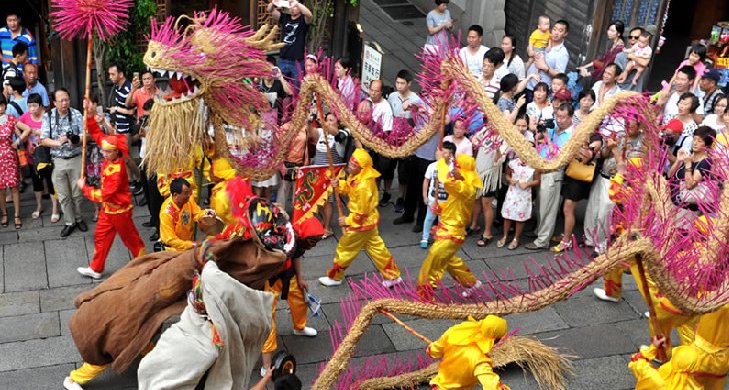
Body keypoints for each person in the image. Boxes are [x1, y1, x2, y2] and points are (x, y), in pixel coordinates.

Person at [75, 99, 146, 279]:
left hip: (119, 210)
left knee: (131, 240)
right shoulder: (111, 152)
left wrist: (85, 188)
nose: (103, 153)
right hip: (109, 209)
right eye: (104, 151)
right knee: (101, 237)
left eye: (107, 152)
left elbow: (104, 194)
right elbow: (97, 134)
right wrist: (90, 115)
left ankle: (146, 265)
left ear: (115, 152)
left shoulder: (118, 170)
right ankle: (96, 268)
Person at [318, 148, 402, 288]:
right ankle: (392, 275)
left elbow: (361, 212)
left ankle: (335, 277)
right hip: (368, 223)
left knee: (345, 249)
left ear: (361, 167)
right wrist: (339, 185)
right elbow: (350, 189)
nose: (349, 166)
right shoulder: (358, 176)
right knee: (377, 249)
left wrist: (347, 220)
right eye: (350, 162)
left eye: (353, 164)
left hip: (360, 224)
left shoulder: (364, 185)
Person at [260, 216, 322, 377]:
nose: (314, 244)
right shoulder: (280, 239)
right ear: (304, 236)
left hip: (288, 275)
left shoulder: (299, 241)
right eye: (313, 240)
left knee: (300, 300)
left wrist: (300, 277)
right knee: (268, 318)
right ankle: (266, 365)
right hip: (270, 279)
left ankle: (299, 327)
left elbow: (296, 255)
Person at [416, 154, 482, 300]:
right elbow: (454, 205)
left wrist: (441, 162)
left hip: (452, 233)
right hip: (448, 228)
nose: (454, 169)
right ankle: (471, 283)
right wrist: (441, 208)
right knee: (447, 259)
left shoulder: (466, 188)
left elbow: (447, 182)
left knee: (435, 259)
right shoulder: (461, 185)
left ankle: (425, 295)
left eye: (456, 166)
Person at [525, 103, 573, 250]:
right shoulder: (553, 128)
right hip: (541, 169)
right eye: (557, 116)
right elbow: (541, 144)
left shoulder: (572, 134)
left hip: (553, 172)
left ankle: (542, 240)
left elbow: (559, 156)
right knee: (540, 206)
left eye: (563, 117)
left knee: (548, 208)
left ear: (571, 117)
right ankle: (538, 232)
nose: (559, 120)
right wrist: (540, 135)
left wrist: (548, 138)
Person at [40, 88, 86, 238]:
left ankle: (79, 218)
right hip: (58, 160)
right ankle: (69, 222)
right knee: (63, 194)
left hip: (76, 158)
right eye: (61, 100)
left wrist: (76, 140)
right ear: (54, 102)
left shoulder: (77, 114)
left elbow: (86, 135)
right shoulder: (48, 116)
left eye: (67, 99)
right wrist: (58, 143)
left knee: (78, 193)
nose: (65, 103)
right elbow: (43, 139)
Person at [427, 315, 509, 389]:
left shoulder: (456, 332)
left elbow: (436, 349)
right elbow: (490, 385)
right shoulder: (480, 361)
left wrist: (432, 350)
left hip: (439, 384)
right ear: (496, 340)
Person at [551, 132, 602, 253]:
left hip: (579, 179)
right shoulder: (581, 134)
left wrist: (578, 147)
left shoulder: (596, 138)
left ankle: (566, 241)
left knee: (568, 209)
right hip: (571, 174)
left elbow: (587, 157)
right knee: (565, 208)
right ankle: (565, 235)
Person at [15, 93, 58, 220]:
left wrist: (35, 133)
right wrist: (23, 138)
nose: (32, 109)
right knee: (36, 182)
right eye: (29, 106)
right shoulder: (26, 116)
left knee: (51, 182)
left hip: (47, 155)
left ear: (40, 106)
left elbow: (52, 133)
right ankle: (39, 206)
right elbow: (16, 124)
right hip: (32, 156)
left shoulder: (47, 116)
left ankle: (55, 208)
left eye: (34, 106)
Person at [308, 112, 343, 237]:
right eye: (326, 120)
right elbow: (311, 132)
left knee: (328, 200)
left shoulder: (340, 137)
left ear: (337, 123)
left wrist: (325, 124)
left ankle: (328, 228)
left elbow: (334, 132)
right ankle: (324, 221)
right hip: (319, 173)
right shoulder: (322, 133)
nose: (327, 122)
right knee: (319, 200)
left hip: (331, 174)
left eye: (331, 120)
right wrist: (309, 120)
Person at [498, 144, 540, 250]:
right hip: (512, 192)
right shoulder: (512, 163)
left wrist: (528, 184)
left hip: (524, 194)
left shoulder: (535, 166)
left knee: (520, 218)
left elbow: (538, 180)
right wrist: (509, 179)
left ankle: (516, 238)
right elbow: (507, 175)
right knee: (507, 215)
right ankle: (505, 236)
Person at [160, 177, 215, 252]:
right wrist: (190, 245)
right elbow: (170, 240)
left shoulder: (188, 200)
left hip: (189, 244)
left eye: (189, 192)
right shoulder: (166, 213)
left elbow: (196, 213)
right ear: (175, 195)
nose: (189, 195)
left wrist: (205, 214)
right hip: (174, 250)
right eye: (186, 193)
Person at [668, 126, 715, 209]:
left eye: (699, 141)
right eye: (694, 139)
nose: (695, 143)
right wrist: (678, 160)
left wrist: (688, 164)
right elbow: (670, 175)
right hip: (674, 203)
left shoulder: (706, 162)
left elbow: (690, 185)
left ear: (707, 145)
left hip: (690, 208)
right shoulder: (689, 156)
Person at [421, 141, 457, 249]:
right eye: (439, 151)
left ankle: (441, 237)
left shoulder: (453, 168)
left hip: (446, 200)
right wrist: (425, 195)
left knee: (443, 220)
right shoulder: (432, 166)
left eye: (444, 153)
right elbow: (426, 181)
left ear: (451, 155)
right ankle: (425, 236)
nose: (440, 154)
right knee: (429, 218)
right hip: (433, 198)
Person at [268, 0, 312, 85]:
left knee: (296, 87)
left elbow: (309, 15)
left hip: (297, 61)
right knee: (278, 84)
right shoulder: (285, 17)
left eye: (295, 6)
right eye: (290, 6)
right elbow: (270, 10)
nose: (292, 8)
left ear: (300, 6)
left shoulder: (303, 19)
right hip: (283, 58)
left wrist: (296, 3)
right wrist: (273, 3)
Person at [527, 20, 570, 95]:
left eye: (560, 31)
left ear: (565, 34)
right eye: (554, 29)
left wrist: (546, 68)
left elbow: (560, 76)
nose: (556, 32)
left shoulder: (563, 53)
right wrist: (531, 52)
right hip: (527, 82)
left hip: (540, 91)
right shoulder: (544, 39)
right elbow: (529, 48)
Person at [0, 94, 21, 228]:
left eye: (1, 104)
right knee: (0, 189)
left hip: (10, 156)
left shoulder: (11, 119)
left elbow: (26, 130)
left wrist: (18, 141)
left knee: (14, 187)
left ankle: (17, 215)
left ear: (5, 104)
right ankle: (4, 214)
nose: (0, 108)